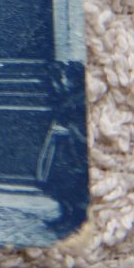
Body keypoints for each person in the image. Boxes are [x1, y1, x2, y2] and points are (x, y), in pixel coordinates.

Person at [38, 60, 88, 234]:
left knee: (73, 184)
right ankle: (64, 215)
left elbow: (82, 125)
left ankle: (75, 219)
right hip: (63, 147)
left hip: (74, 149)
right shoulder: (69, 94)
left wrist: (69, 131)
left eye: (68, 77)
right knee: (58, 181)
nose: (65, 80)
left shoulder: (82, 98)